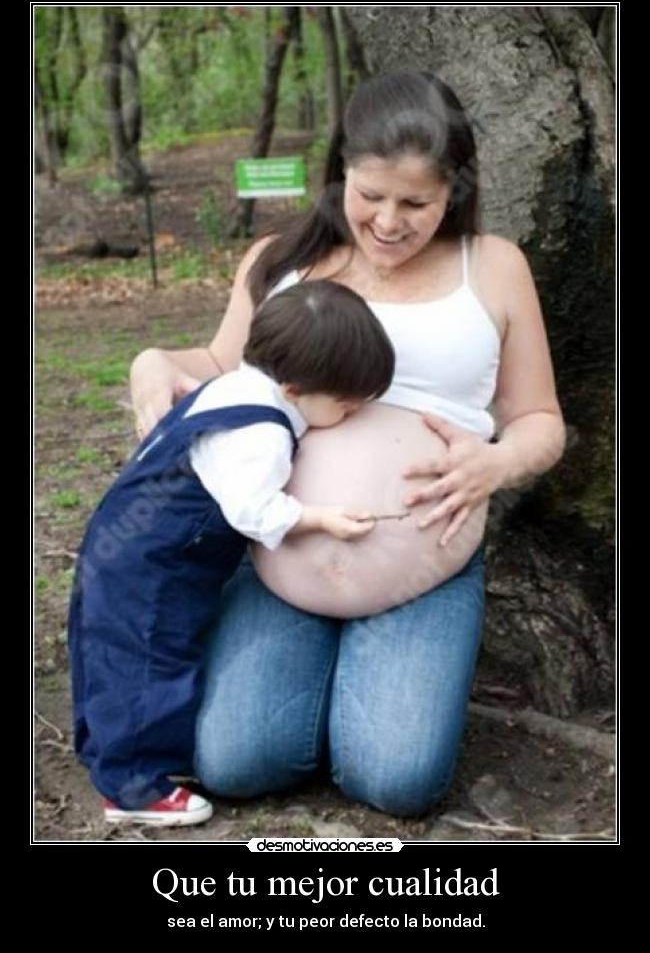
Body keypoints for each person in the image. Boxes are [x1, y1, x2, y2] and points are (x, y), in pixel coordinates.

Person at [129, 70, 566, 817]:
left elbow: (541, 421)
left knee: (397, 781)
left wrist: (495, 461)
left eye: (415, 203)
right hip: (278, 561)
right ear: (340, 176)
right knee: (232, 762)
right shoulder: (279, 261)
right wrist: (152, 365)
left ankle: (372, 678)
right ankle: (313, 670)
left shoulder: (492, 268)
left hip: (423, 566)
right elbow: (219, 368)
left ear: (453, 194)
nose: (389, 221)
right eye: (371, 195)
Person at [68, 280, 395, 827]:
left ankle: (108, 751)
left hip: (124, 541)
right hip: (160, 564)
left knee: (112, 650)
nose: (352, 411)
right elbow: (252, 510)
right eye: (344, 404)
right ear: (293, 389)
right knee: (152, 656)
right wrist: (317, 517)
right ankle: (134, 787)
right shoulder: (259, 434)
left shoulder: (232, 389)